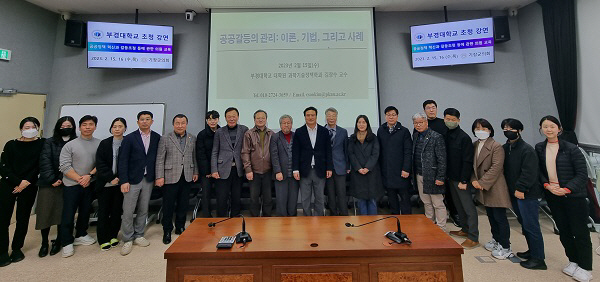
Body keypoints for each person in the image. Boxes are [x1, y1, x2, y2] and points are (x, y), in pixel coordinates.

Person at [535, 115, 592, 281]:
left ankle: (586, 267)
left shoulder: (572, 148)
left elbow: (582, 175)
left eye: (552, 126)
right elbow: (539, 172)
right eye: (545, 126)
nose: (548, 129)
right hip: (553, 195)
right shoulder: (539, 148)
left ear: (559, 129)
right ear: (541, 129)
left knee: (580, 232)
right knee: (564, 231)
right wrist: (547, 185)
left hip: (574, 196)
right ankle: (573, 261)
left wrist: (566, 189)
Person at [501, 118, 546, 270]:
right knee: (524, 224)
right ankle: (532, 251)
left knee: (531, 225)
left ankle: (539, 259)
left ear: (519, 131)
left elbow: (529, 172)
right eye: (505, 128)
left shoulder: (527, 150)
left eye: (511, 128)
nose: (508, 131)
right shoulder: (506, 147)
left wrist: (521, 188)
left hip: (526, 194)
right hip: (515, 193)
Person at [0, 117, 44, 267]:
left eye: (33, 126)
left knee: (23, 218)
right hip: (8, 184)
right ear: (21, 129)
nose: (29, 129)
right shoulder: (11, 145)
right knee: (3, 219)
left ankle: (17, 248)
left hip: (29, 185)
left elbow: (39, 166)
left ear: (37, 128)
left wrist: (25, 183)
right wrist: (17, 182)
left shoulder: (42, 144)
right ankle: (2, 251)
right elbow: (4, 166)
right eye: (26, 126)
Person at [118, 111, 161, 256]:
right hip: (132, 179)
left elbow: (157, 159)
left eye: (147, 119)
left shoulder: (156, 137)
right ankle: (127, 238)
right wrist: (123, 180)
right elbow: (122, 161)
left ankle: (139, 234)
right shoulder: (130, 138)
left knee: (143, 208)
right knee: (128, 210)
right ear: (137, 122)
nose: (145, 122)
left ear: (152, 121)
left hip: (148, 179)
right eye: (142, 119)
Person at [58, 115, 101, 258]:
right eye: (84, 124)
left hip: (89, 183)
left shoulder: (99, 144)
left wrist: (89, 176)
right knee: (68, 213)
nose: (88, 127)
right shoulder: (70, 145)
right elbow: (64, 166)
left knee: (85, 211)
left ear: (95, 126)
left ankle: (81, 234)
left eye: (91, 124)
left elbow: (100, 163)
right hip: (71, 184)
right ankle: (66, 242)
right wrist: (79, 179)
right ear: (79, 127)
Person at [470, 118, 512, 260]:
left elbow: (496, 167)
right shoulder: (475, 144)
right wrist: (474, 180)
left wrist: (482, 182)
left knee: (500, 217)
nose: (480, 131)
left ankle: (506, 246)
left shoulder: (496, 146)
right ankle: (496, 239)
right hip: (481, 186)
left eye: (484, 128)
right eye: (477, 128)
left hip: (494, 186)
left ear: (490, 130)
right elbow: (473, 166)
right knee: (491, 216)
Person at [36, 116, 77, 257]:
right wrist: (52, 178)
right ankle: (44, 243)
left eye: (69, 125)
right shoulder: (49, 142)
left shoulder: (76, 142)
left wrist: (61, 178)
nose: (66, 127)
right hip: (48, 183)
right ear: (58, 127)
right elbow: (45, 160)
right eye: (63, 125)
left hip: (68, 181)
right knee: (45, 213)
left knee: (63, 214)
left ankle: (59, 240)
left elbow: (73, 162)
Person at [156, 114, 198, 244]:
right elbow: (160, 158)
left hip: (187, 175)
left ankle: (180, 226)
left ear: (186, 124)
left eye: (183, 123)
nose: (180, 125)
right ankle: (167, 229)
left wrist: (195, 171)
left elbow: (194, 157)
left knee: (183, 203)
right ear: (173, 124)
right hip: (170, 176)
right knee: (168, 204)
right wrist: (159, 176)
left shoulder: (192, 138)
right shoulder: (165, 138)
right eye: (177, 123)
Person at [443, 109, 478, 249]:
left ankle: (474, 236)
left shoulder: (464, 138)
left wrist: (464, 181)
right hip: (451, 177)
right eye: (447, 119)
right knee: (458, 206)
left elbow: (467, 161)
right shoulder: (446, 134)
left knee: (468, 207)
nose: (450, 122)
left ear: (458, 120)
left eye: (453, 119)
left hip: (461, 179)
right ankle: (464, 229)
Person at [292, 106, 333, 216]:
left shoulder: (324, 131)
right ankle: (307, 219)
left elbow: (328, 151)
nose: (310, 117)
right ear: (304, 117)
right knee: (305, 198)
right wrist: (295, 169)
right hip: (304, 170)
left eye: (312, 115)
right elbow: (295, 152)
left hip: (320, 169)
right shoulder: (299, 132)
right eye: (308, 115)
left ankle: (319, 218)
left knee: (319, 197)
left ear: (316, 116)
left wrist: (329, 167)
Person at [95, 117, 127, 251]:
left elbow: (129, 162)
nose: (117, 129)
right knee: (103, 211)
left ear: (125, 128)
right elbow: (100, 163)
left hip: (121, 183)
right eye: (115, 126)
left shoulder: (128, 142)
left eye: (120, 126)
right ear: (111, 128)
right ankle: (103, 239)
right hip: (106, 183)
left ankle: (113, 235)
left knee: (116, 210)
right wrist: (110, 178)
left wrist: (120, 178)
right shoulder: (105, 143)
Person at [412, 113, 447, 231]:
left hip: (433, 176)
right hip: (419, 174)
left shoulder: (436, 137)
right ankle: (429, 224)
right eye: (416, 123)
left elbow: (442, 159)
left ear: (426, 122)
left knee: (438, 203)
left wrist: (440, 177)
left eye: (420, 122)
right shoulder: (416, 136)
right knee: (426, 202)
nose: (418, 125)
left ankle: (441, 227)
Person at [211, 107, 248, 217]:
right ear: (225, 118)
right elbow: (215, 151)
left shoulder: (244, 129)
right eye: (229, 117)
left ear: (238, 117)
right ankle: (221, 219)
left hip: (238, 169)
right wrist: (214, 170)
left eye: (234, 116)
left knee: (236, 197)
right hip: (222, 170)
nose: (232, 118)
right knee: (222, 198)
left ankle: (235, 219)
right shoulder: (219, 132)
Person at [377, 106, 413, 215]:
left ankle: (407, 221)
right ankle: (395, 221)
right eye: (388, 115)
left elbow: (408, 151)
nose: (391, 117)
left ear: (397, 116)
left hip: (402, 171)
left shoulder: (404, 131)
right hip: (387, 171)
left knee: (405, 199)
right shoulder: (381, 130)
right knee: (392, 200)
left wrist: (406, 168)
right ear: (385, 116)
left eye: (393, 115)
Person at [347, 115, 383, 215]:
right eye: (359, 122)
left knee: (372, 199)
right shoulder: (352, 138)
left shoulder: (373, 137)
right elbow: (351, 154)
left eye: (364, 122)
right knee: (361, 200)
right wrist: (358, 168)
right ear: (356, 124)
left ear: (367, 124)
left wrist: (367, 167)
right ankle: (363, 223)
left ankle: (373, 222)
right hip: (358, 173)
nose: (361, 124)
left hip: (371, 172)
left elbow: (375, 154)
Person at [242, 110, 274, 217]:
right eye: (258, 118)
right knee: (254, 198)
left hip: (268, 171)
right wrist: (248, 170)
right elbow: (245, 152)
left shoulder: (271, 134)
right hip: (254, 171)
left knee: (268, 198)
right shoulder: (249, 134)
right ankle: (254, 220)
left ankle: (267, 219)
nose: (260, 120)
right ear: (254, 119)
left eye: (263, 118)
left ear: (266, 119)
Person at [270, 115, 298, 216]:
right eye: (284, 123)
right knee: (281, 200)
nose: (286, 125)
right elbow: (274, 155)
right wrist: (277, 171)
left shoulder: (296, 136)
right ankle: (282, 222)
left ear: (291, 124)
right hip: (281, 174)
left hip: (294, 174)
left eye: (288, 123)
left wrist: (297, 170)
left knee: (293, 200)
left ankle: (293, 221)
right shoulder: (275, 137)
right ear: (280, 125)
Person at [324, 107, 350, 216]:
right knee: (330, 193)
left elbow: (346, 150)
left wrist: (348, 166)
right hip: (326, 168)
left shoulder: (343, 132)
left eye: (333, 116)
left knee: (341, 193)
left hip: (340, 166)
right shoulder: (321, 131)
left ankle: (344, 215)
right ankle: (333, 215)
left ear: (337, 117)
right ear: (326, 117)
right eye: (329, 116)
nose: (331, 118)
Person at [196, 110, 220, 218]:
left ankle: (221, 214)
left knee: (221, 194)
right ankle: (206, 215)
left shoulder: (222, 132)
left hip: (221, 169)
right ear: (206, 120)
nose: (212, 121)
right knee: (206, 194)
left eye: (214, 119)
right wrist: (208, 171)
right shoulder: (202, 134)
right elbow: (201, 154)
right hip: (206, 171)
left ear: (218, 119)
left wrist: (217, 169)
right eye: (209, 119)